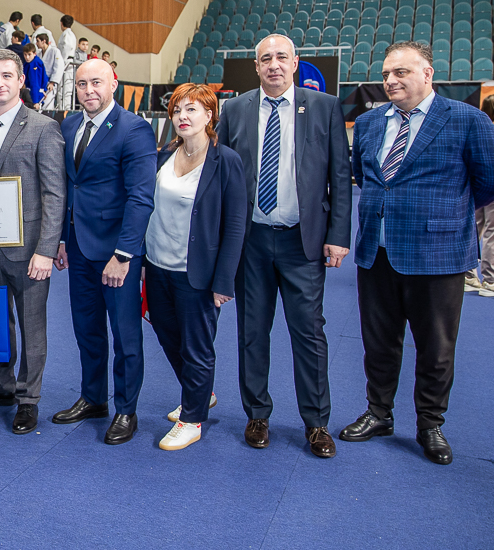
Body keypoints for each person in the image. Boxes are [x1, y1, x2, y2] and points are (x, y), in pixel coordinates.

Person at [339, 41, 494, 465]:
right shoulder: (369, 123)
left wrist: (445, 212)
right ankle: (379, 414)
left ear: (428, 74)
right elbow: (365, 178)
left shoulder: (467, 119)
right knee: (379, 343)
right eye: (387, 73)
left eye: (402, 72)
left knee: (436, 347)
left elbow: (488, 181)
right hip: (377, 251)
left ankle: (430, 424)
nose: (391, 80)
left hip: (437, 253)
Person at [216, 34, 351, 459]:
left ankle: (316, 423)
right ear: (256, 67)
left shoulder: (325, 108)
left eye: (281, 57)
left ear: (295, 64)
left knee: (309, 334)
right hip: (251, 242)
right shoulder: (234, 110)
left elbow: (341, 178)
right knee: (252, 332)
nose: (273, 65)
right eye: (265, 59)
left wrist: (338, 235)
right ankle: (257, 413)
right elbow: (221, 176)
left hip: (302, 241)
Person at [51, 59, 157, 445]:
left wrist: (125, 254)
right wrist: (62, 239)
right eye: (82, 84)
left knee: (125, 335)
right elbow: (68, 188)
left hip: (117, 254)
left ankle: (126, 410)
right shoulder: (70, 125)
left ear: (113, 83)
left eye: (97, 82)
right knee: (87, 329)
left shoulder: (134, 129)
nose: (89, 90)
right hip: (78, 248)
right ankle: (93, 397)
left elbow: (142, 198)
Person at [0, 49, 66, 435]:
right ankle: (1, 384)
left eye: (7, 76)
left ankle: (28, 398)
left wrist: (46, 248)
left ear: (21, 81)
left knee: (31, 325)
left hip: (29, 250)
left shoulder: (43, 127)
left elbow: (55, 194)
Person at [140, 84, 246, 450]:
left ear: (209, 115)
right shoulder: (164, 154)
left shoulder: (226, 161)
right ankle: (201, 393)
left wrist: (224, 281)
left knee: (197, 348)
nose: (183, 117)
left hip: (196, 274)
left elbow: (235, 225)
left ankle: (193, 418)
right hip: (156, 267)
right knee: (169, 339)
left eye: (192, 110)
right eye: (176, 110)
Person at [468, 95, 494, 296]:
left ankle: (468, 274)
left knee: (475, 227)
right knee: (492, 232)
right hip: (488, 186)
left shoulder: (480, 127)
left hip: (477, 186)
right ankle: (490, 280)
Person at [36, 33, 62, 107]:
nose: (36, 43)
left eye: (38, 41)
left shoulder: (54, 51)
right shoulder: (39, 53)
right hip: (41, 82)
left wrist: (52, 82)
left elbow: (58, 67)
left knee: (48, 104)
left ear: (44, 41)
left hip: (50, 82)